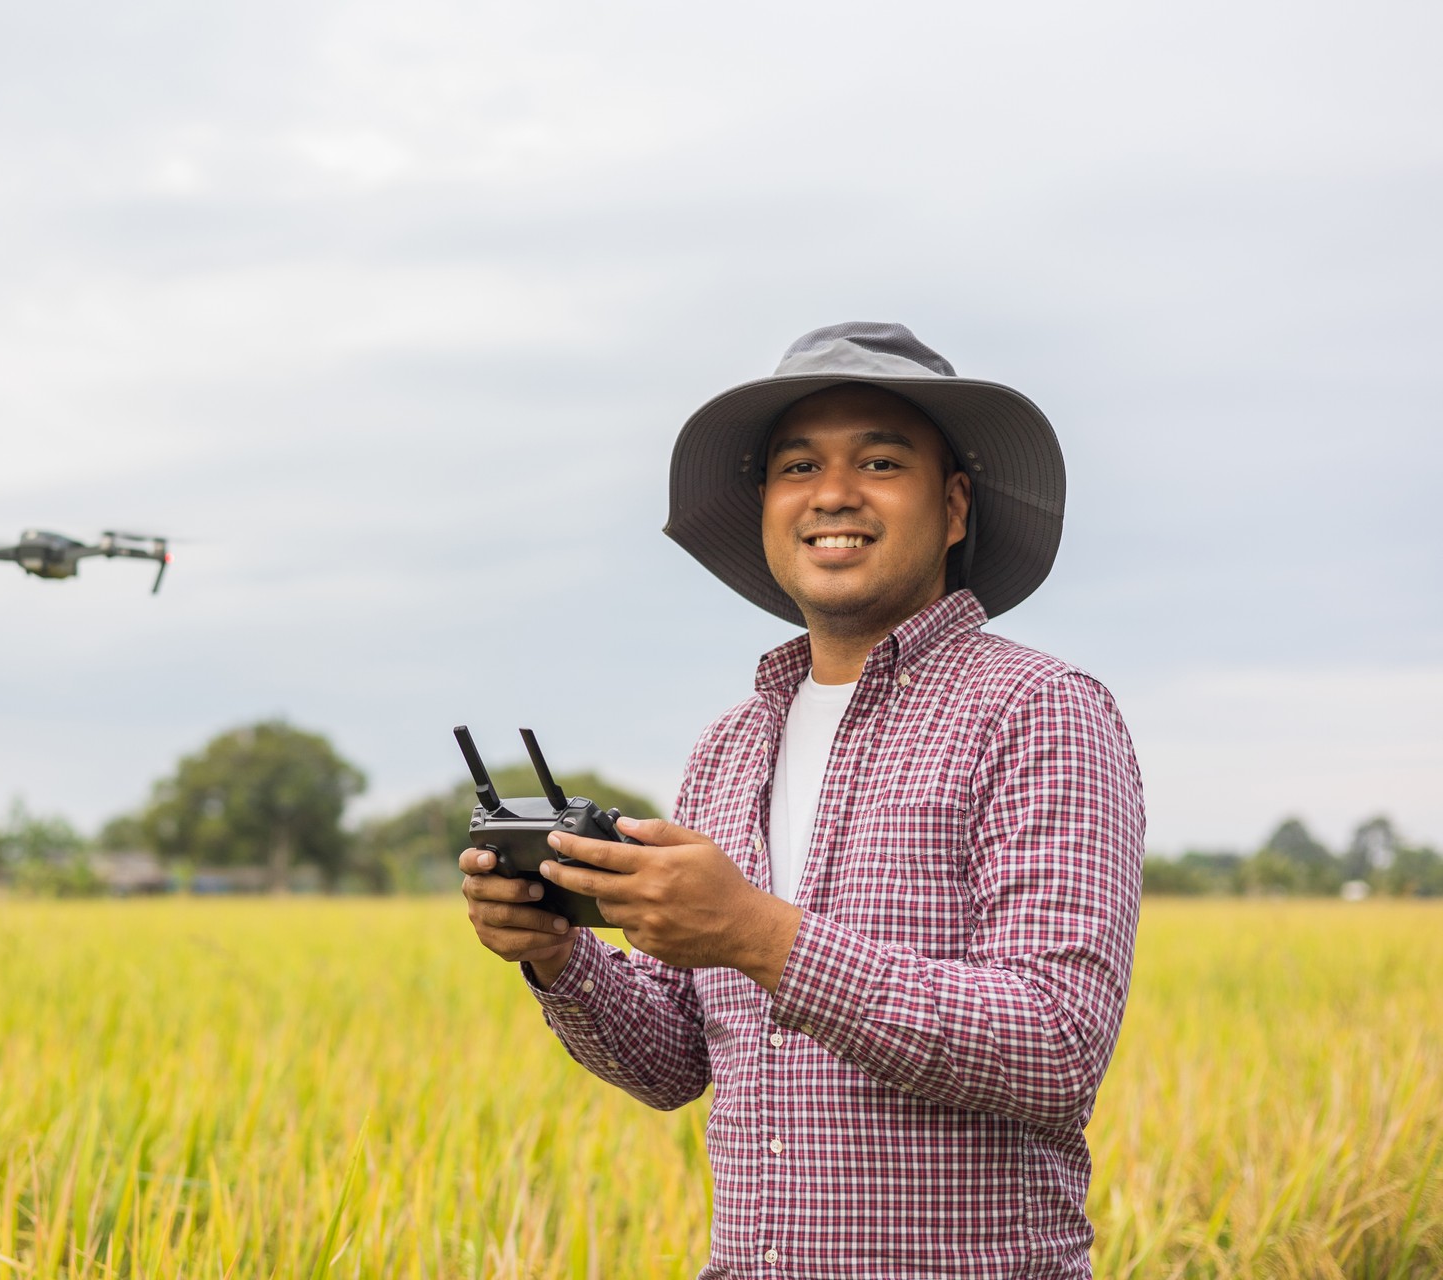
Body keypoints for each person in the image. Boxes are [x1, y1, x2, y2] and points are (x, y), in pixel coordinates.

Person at [460, 322, 1144, 1279]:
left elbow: (1056, 1042)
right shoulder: (732, 748)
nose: (833, 493)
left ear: (953, 508)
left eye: (879, 460)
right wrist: (559, 956)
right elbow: (679, 1061)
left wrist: (755, 933)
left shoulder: (1038, 713)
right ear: (768, 508)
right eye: (797, 466)